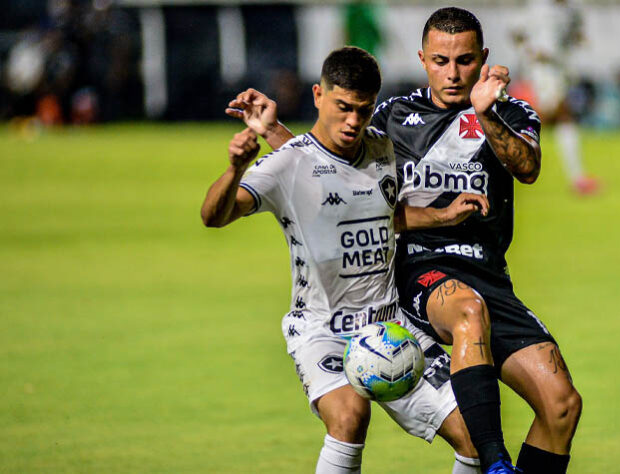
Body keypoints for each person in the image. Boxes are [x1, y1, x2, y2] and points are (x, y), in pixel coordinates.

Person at [229, 9, 583, 474]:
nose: (452, 73)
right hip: (421, 272)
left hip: (489, 275)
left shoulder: (509, 111)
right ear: (422, 58)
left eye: (464, 60)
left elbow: (528, 168)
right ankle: (497, 464)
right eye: (440, 60)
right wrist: (274, 132)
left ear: (484, 59)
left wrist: (486, 112)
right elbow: (325, 164)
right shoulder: (392, 116)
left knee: (561, 405)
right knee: (466, 311)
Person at [203, 46, 486, 474]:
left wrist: (443, 214)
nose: (353, 121)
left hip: (393, 328)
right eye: (343, 107)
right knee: (350, 417)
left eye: (364, 109)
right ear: (318, 95)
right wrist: (235, 169)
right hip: (323, 332)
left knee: (475, 434)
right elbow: (214, 216)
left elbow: (379, 209)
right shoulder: (283, 166)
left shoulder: (381, 149)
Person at [511, 0, 599, 195]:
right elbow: (516, 33)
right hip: (542, 69)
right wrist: (529, 53)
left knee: (548, 117)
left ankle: (506, 156)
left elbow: (575, 32)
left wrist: (579, 40)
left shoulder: (572, 9)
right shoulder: (536, 8)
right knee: (561, 114)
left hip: (560, 68)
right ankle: (577, 178)